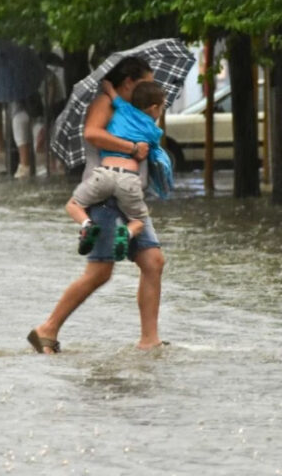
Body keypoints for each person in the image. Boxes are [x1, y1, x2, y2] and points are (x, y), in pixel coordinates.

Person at [28, 56, 164, 354]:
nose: (151, 87)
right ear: (128, 82)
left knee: (153, 262)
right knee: (99, 272)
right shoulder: (105, 102)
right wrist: (132, 147)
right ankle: (47, 329)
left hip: (131, 196)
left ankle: (149, 340)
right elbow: (92, 133)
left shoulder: (134, 111)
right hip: (105, 197)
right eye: (147, 82)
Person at [66, 80, 167, 261]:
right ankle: (126, 233)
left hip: (104, 174)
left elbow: (114, 96)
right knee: (138, 221)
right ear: (153, 109)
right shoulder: (153, 130)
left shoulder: (122, 110)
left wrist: (108, 87)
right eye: (162, 108)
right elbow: (151, 154)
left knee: (73, 205)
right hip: (129, 179)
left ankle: (87, 225)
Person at [11, 93, 44, 179]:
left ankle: (25, 171)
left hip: (21, 112)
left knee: (25, 165)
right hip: (37, 114)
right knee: (41, 159)